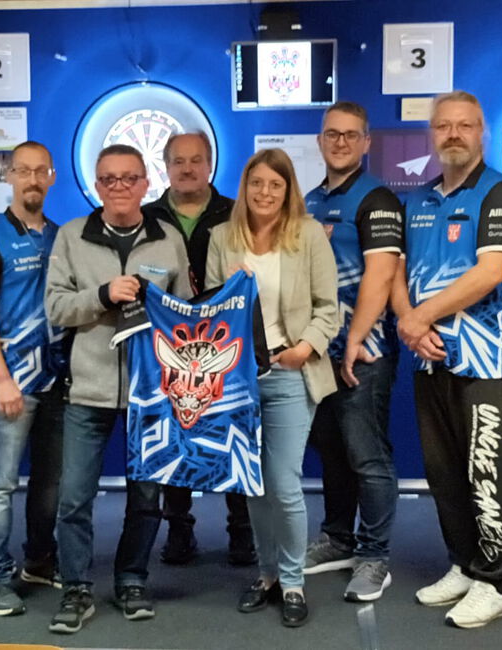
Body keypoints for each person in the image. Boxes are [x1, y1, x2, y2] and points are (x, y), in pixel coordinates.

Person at [391, 90, 502, 629]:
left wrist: (420, 317)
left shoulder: (501, 191)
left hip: (484, 361)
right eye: (444, 125)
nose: (453, 134)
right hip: (429, 358)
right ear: (432, 134)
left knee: (486, 473)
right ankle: (465, 565)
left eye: (465, 125)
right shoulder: (418, 200)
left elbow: (490, 272)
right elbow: (397, 272)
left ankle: (494, 582)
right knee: (444, 472)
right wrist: (410, 322)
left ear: (481, 131)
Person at [45, 144, 192, 634]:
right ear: (97, 186)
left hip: (150, 394)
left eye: (129, 178)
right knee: (74, 498)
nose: (120, 187)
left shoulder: (168, 238)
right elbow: (56, 309)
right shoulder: (72, 236)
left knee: (146, 497)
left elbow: (185, 317)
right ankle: (76, 587)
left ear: (146, 184)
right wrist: (102, 295)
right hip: (88, 389)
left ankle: (132, 578)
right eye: (109, 179)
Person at [206, 148, 338, 627]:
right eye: (257, 183)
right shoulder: (222, 237)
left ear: (288, 190)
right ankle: (267, 575)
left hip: (290, 373)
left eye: (275, 185)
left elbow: (329, 308)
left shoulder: (308, 235)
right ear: (245, 187)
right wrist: (227, 292)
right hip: (239, 380)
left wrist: (305, 348)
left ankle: (294, 581)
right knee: (254, 485)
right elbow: (212, 314)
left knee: (283, 483)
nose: (264, 192)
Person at [0, 141, 67, 617]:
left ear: (51, 177)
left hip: (57, 381)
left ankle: (40, 561)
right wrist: (1, 378)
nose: (32, 179)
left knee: (49, 482)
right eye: (23, 171)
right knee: (1, 483)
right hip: (10, 383)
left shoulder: (61, 237)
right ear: (9, 177)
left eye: (40, 171)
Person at [304, 102, 404, 601]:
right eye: (332, 134)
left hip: (365, 353)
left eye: (350, 135)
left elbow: (381, 276)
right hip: (320, 354)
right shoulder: (309, 200)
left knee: (367, 456)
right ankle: (338, 539)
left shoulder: (378, 199)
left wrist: (356, 340)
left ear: (366, 142)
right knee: (332, 451)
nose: (340, 142)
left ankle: (373, 556)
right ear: (320, 141)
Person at [144, 131, 255, 566]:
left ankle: (242, 531)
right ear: (166, 167)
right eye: (178, 161)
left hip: (228, 339)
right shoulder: (148, 217)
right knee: (176, 433)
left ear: (210, 164)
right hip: (169, 343)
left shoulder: (237, 212)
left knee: (233, 429)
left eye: (196, 160)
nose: (187, 169)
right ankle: (179, 529)